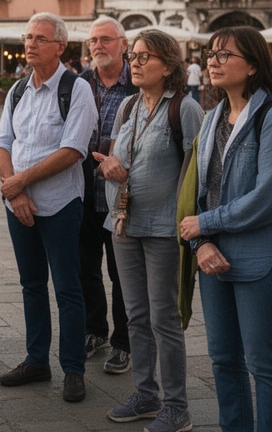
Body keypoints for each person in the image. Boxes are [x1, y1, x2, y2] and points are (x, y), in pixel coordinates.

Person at [179, 27, 272, 432]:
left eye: (223, 55)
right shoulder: (213, 116)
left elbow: (269, 196)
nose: (212, 62)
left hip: (263, 257)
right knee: (222, 359)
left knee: (264, 363)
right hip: (214, 256)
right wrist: (200, 242)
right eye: (210, 54)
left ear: (253, 65)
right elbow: (199, 191)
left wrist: (207, 224)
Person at [99, 29, 203, 432]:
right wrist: (107, 166)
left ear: (169, 66)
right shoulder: (127, 107)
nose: (136, 63)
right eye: (135, 56)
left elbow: (200, 172)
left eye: (146, 57)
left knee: (164, 318)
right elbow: (113, 158)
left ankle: (177, 407)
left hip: (164, 228)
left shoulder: (185, 109)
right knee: (135, 315)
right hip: (122, 224)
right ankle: (146, 393)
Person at [0, 13, 97, 404]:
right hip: (18, 204)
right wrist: (13, 190)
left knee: (68, 289)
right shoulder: (17, 90)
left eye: (40, 38)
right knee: (31, 284)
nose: (30, 44)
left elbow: (73, 151)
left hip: (60, 204)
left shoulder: (77, 89)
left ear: (60, 47)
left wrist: (21, 181)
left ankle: (73, 368)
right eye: (27, 37)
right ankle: (36, 360)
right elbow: (3, 143)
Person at [78, 16, 135, 375]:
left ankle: (123, 343)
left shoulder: (139, 83)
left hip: (123, 196)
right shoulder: (79, 83)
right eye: (93, 41)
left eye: (106, 39)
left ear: (124, 44)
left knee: (122, 273)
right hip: (82, 192)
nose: (98, 46)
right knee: (85, 268)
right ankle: (95, 330)